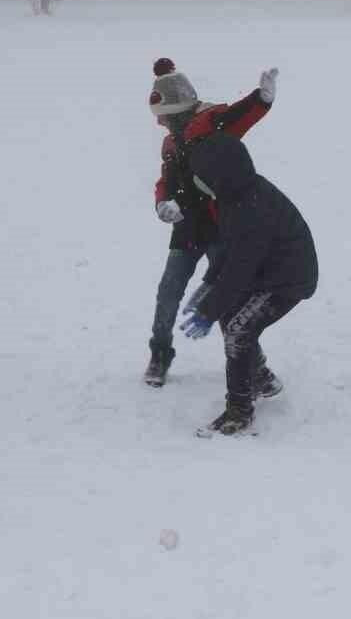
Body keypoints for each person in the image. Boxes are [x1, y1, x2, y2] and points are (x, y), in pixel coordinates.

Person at [145, 58, 278, 387]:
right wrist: (163, 203)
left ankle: (255, 366)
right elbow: (166, 180)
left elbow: (240, 114)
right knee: (168, 293)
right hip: (187, 231)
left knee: (228, 297)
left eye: (162, 116)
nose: (159, 123)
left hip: (222, 228)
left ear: (176, 110)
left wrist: (261, 98)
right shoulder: (170, 143)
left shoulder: (210, 122)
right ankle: (160, 353)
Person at [179, 134, 317, 437]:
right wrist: (208, 286)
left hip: (287, 278)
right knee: (232, 318)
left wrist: (209, 309)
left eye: (201, 176)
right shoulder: (234, 196)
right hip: (264, 271)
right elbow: (229, 249)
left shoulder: (251, 208)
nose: (198, 182)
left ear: (219, 175)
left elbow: (241, 268)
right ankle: (260, 378)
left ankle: (239, 410)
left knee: (239, 330)